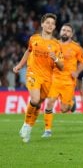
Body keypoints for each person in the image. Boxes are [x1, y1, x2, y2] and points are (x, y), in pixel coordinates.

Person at [13, 13, 64, 143]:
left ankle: (29, 127)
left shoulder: (56, 45)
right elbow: (28, 51)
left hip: (47, 77)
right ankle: (25, 124)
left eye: (52, 23)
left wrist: (56, 59)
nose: (50, 25)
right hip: (33, 73)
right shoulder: (34, 38)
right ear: (42, 24)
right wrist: (19, 65)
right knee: (34, 100)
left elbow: (62, 66)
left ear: (54, 27)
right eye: (47, 22)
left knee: (39, 103)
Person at [42, 23, 83, 137]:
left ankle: (71, 102)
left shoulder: (76, 47)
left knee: (63, 109)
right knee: (50, 103)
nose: (65, 32)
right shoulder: (53, 44)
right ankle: (47, 130)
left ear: (71, 34)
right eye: (63, 30)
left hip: (69, 81)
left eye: (67, 31)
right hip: (55, 79)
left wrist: (77, 72)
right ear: (60, 31)